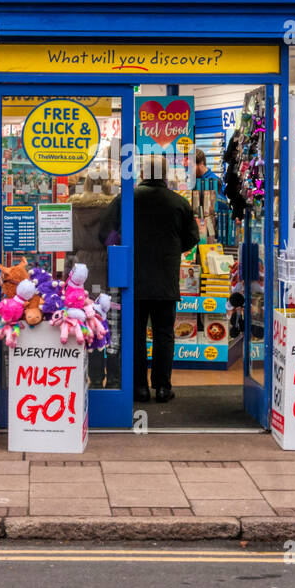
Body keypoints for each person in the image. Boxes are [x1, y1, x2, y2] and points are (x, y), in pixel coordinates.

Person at [100, 153, 200, 403]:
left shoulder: (126, 199)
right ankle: (163, 387)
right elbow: (192, 238)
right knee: (164, 333)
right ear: (166, 175)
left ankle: (139, 388)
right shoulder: (179, 203)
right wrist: (173, 249)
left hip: (133, 279)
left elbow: (105, 233)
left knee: (134, 334)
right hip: (166, 278)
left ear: (143, 173)